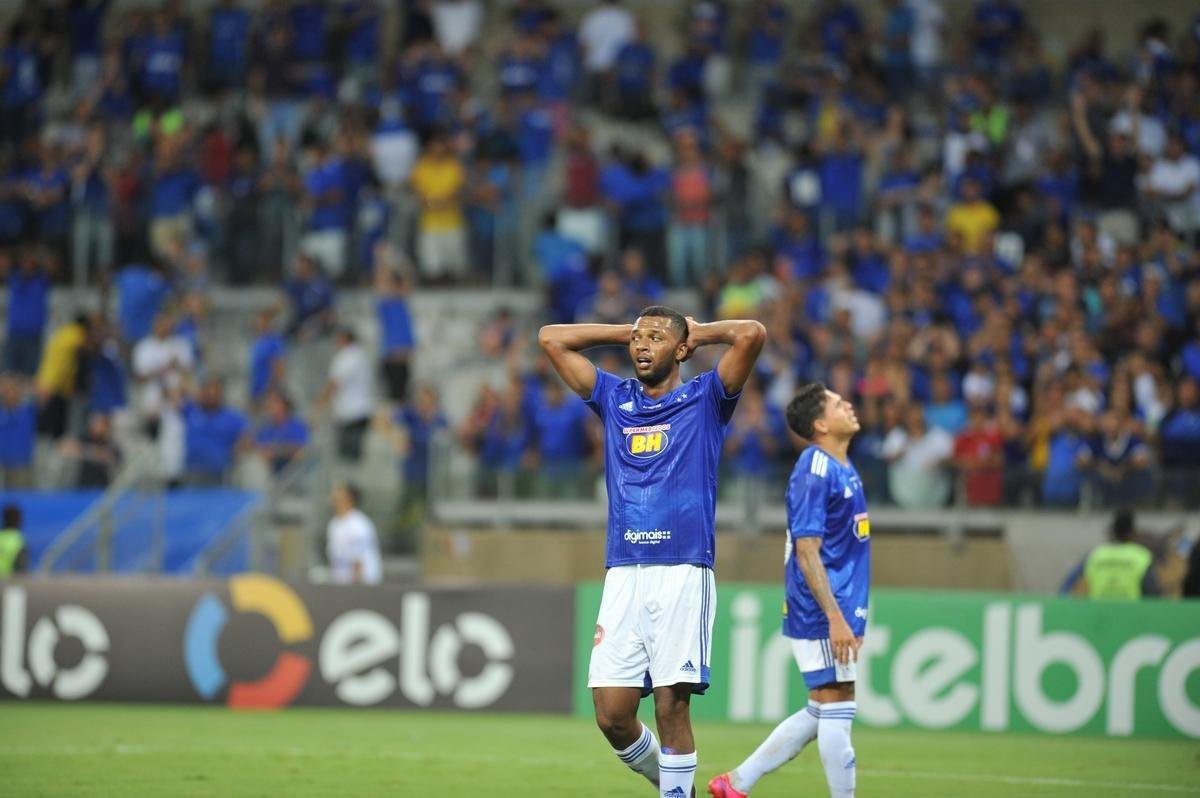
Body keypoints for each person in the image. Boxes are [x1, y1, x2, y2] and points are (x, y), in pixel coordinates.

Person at [539, 305, 765, 798]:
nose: (642, 345)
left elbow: (750, 333)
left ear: (683, 349)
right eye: (637, 339)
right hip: (624, 570)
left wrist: (695, 332)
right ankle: (672, 784)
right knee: (612, 715)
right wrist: (627, 330)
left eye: (656, 338)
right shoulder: (613, 397)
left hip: (682, 568)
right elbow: (551, 338)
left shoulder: (706, 398)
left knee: (670, 705)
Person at [709, 380, 868, 798]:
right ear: (820, 423)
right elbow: (807, 550)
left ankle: (736, 783)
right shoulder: (815, 467)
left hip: (837, 604)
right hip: (819, 607)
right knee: (837, 703)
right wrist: (834, 617)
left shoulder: (841, 466)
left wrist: (851, 613)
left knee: (824, 706)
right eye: (837, 403)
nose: (847, 404)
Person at [1071, 509, 1157, 600]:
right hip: (1131, 611)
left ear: (1112, 532)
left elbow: (1076, 589)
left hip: (1099, 611)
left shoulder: (1095, 556)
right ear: (1132, 532)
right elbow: (1152, 595)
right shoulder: (1141, 556)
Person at [326, 482, 382, 585]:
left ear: (348, 498)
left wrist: (355, 590)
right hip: (341, 583)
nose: (333, 496)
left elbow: (359, 560)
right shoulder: (334, 524)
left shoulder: (358, 524)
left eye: (339, 493)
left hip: (362, 585)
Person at [0, 503, 29, 578]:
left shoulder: (1, 536)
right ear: (18, 520)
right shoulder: (19, 540)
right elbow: (21, 568)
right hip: (9, 583)